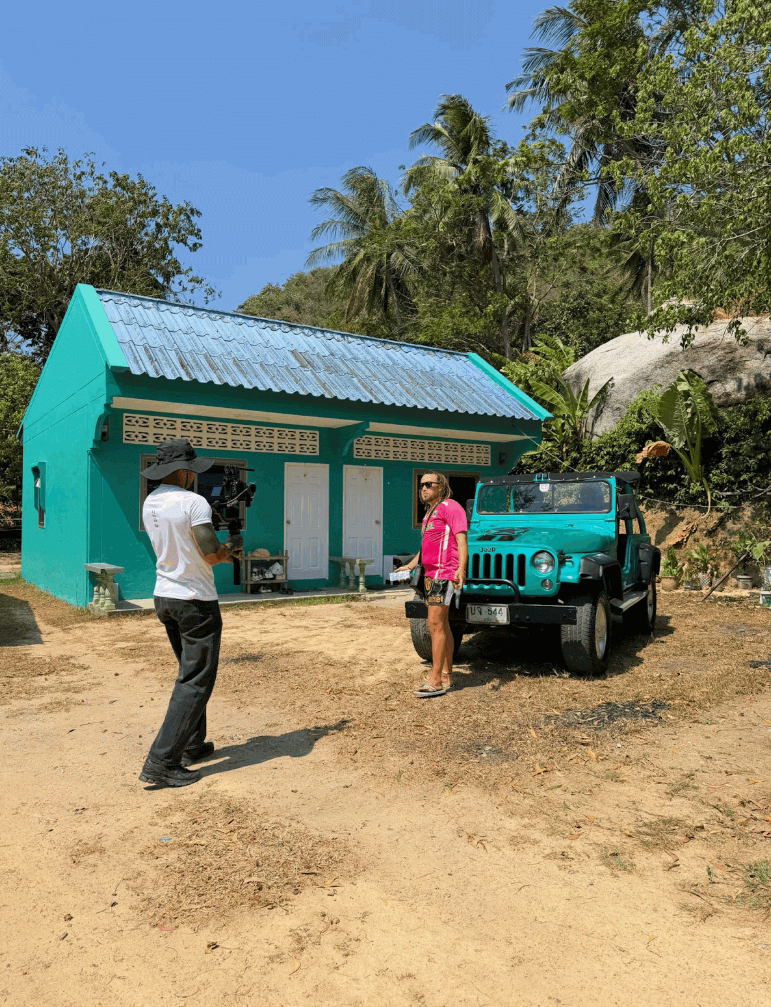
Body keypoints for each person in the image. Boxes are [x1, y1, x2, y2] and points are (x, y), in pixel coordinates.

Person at [138, 439, 242, 788]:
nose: (192, 478)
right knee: (196, 680)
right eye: (191, 472)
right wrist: (231, 552)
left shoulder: (150, 502)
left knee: (188, 672)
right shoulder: (193, 502)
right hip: (195, 600)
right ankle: (161, 762)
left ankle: (191, 746)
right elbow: (211, 554)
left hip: (164, 596)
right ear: (181, 472)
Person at [397, 472, 468, 697]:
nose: (424, 488)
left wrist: (460, 569)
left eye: (429, 484)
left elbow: (461, 540)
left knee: (434, 624)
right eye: (421, 485)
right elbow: (427, 546)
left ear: (441, 486)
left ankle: (435, 679)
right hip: (430, 575)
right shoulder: (430, 512)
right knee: (442, 624)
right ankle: (446, 674)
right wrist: (409, 566)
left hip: (444, 574)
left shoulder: (451, 507)